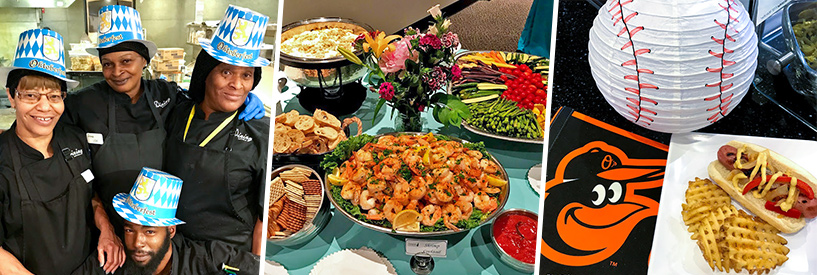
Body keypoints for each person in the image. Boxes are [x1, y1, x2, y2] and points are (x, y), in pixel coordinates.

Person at [61, 5, 265, 238]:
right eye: (107, 63)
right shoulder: (82, 103)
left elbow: (204, 100)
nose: (117, 72)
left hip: (158, 230)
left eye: (126, 61)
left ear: (144, 61)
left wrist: (245, 99)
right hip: (107, 226)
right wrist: (102, 221)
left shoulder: (165, 95)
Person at [0, 29, 124, 275]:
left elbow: (90, 195)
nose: (45, 106)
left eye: (54, 95)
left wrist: (107, 229)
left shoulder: (75, 138)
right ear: (12, 97)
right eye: (31, 95)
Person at [164, 5, 270, 254]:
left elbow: (265, 219)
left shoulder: (260, 134)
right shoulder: (177, 113)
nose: (237, 84)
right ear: (205, 73)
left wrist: (254, 265)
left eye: (247, 75)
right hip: (176, 250)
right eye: (226, 72)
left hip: (229, 257)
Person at [72, 168, 260, 275]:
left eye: (149, 232)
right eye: (130, 230)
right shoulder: (110, 261)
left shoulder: (209, 259)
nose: (137, 243)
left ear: (171, 230)